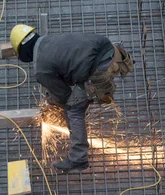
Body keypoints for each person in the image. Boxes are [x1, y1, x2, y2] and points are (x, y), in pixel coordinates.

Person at [9, 24, 134, 173]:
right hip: (113, 51)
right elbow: (69, 66)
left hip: (101, 68)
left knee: (74, 109)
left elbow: (65, 96)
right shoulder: (49, 40)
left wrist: (54, 105)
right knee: (76, 97)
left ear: (22, 51)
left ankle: (78, 159)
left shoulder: (41, 69)